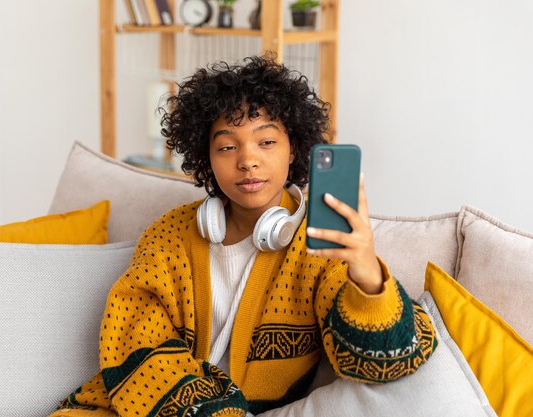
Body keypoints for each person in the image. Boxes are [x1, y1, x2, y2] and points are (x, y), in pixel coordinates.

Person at [51, 55, 437, 417]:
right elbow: (137, 344)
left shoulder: (321, 246)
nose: (247, 159)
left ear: (293, 150)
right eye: (227, 146)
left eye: (266, 141)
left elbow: (386, 363)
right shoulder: (168, 237)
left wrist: (366, 272)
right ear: (207, 156)